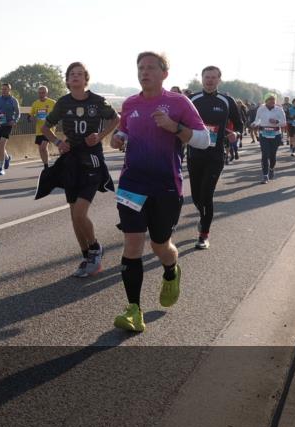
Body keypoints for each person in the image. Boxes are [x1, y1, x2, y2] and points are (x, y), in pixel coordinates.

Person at [109, 52, 210, 333]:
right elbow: (125, 133)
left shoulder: (179, 103)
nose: (144, 72)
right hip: (132, 183)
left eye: (151, 67)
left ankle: (171, 269)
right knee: (132, 243)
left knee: (160, 245)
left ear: (164, 73)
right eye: (140, 67)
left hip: (166, 185)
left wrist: (175, 127)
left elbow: (204, 140)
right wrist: (118, 139)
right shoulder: (130, 104)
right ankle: (133, 310)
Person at [37, 62, 120, 276]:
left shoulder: (97, 101)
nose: (75, 77)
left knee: (81, 212)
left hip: (92, 160)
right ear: (67, 80)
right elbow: (46, 127)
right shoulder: (63, 103)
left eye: (79, 74)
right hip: (71, 161)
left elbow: (116, 119)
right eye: (71, 74)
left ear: (85, 79)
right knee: (74, 215)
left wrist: (100, 136)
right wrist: (57, 142)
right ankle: (87, 258)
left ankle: (95, 248)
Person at [187, 66, 243, 249]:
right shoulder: (192, 99)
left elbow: (240, 125)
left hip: (215, 155)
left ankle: (204, 234)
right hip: (194, 153)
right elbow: (181, 122)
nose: (209, 80)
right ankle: (203, 216)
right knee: (196, 196)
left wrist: (235, 133)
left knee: (207, 194)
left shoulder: (227, 100)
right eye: (206, 77)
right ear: (202, 79)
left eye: (213, 77)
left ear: (219, 80)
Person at [251, 94, 286, 183]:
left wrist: (276, 121)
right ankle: (265, 175)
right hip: (264, 134)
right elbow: (258, 119)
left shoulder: (279, 109)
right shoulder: (261, 109)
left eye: (273, 100)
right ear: (265, 101)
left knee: (272, 155)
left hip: (275, 135)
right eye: (269, 100)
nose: (272, 102)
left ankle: (271, 168)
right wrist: (254, 124)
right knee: (265, 154)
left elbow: (284, 123)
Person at [0, 82, 21, 175]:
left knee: (1, 146)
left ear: (9, 90)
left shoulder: (13, 100)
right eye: (2, 89)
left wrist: (15, 120)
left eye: (5, 89)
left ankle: (1, 168)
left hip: (8, 125)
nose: (3, 91)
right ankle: (7, 158)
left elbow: (18, 113)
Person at [28, 85, 57, 166]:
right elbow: (29, 116)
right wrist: (32, 118)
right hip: (39, 130)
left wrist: (52, 121)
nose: (41, 94)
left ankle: (46, 166)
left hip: (48, 129)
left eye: (43, 92)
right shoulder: (35, 103)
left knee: (43, 147)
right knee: (41, 150)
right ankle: (46, 166)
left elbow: (58, 115)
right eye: (40, 93)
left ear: (46, 93)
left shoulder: (52, 103)